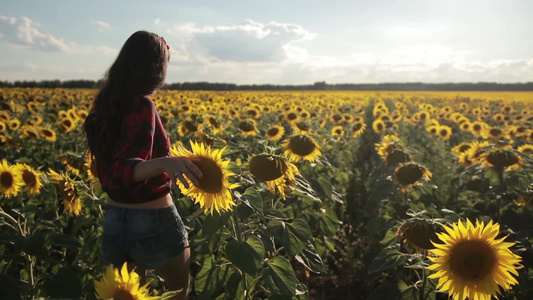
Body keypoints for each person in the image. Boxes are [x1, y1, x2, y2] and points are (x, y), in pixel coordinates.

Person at [83, 30, 202, 300]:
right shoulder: (141, 103)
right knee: (178, 291)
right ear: (156, 67)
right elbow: (124, 170)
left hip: (114, 221)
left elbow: (110, 171)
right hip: (153, 222)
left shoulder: (106, 104)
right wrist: (166, 163)